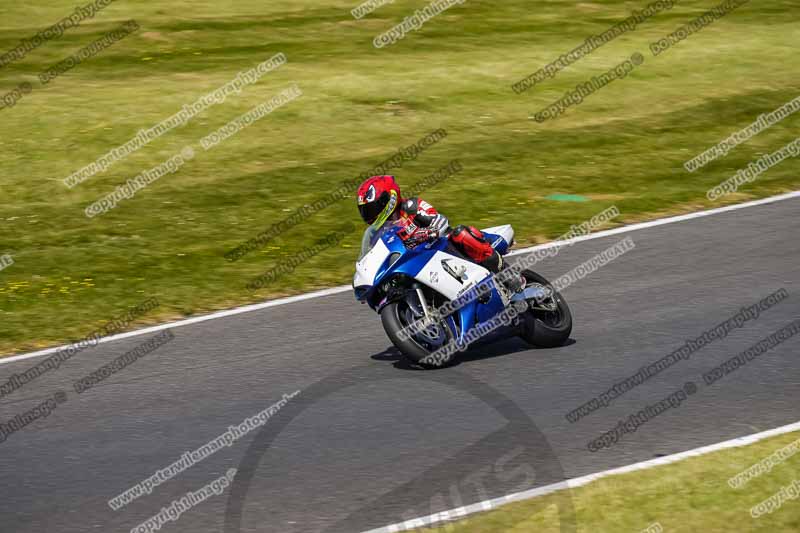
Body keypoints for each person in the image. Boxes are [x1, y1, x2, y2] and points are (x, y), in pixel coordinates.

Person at [356, 175, 524, 292]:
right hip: (417, 264)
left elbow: (439, 220)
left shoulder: (411, 207)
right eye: (365, 211)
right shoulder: (375, 234)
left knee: (460, 233)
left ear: (390, 199)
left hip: (444, 249)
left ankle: (507, 275)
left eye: (372, 208)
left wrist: (430, 231)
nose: (370, 214)